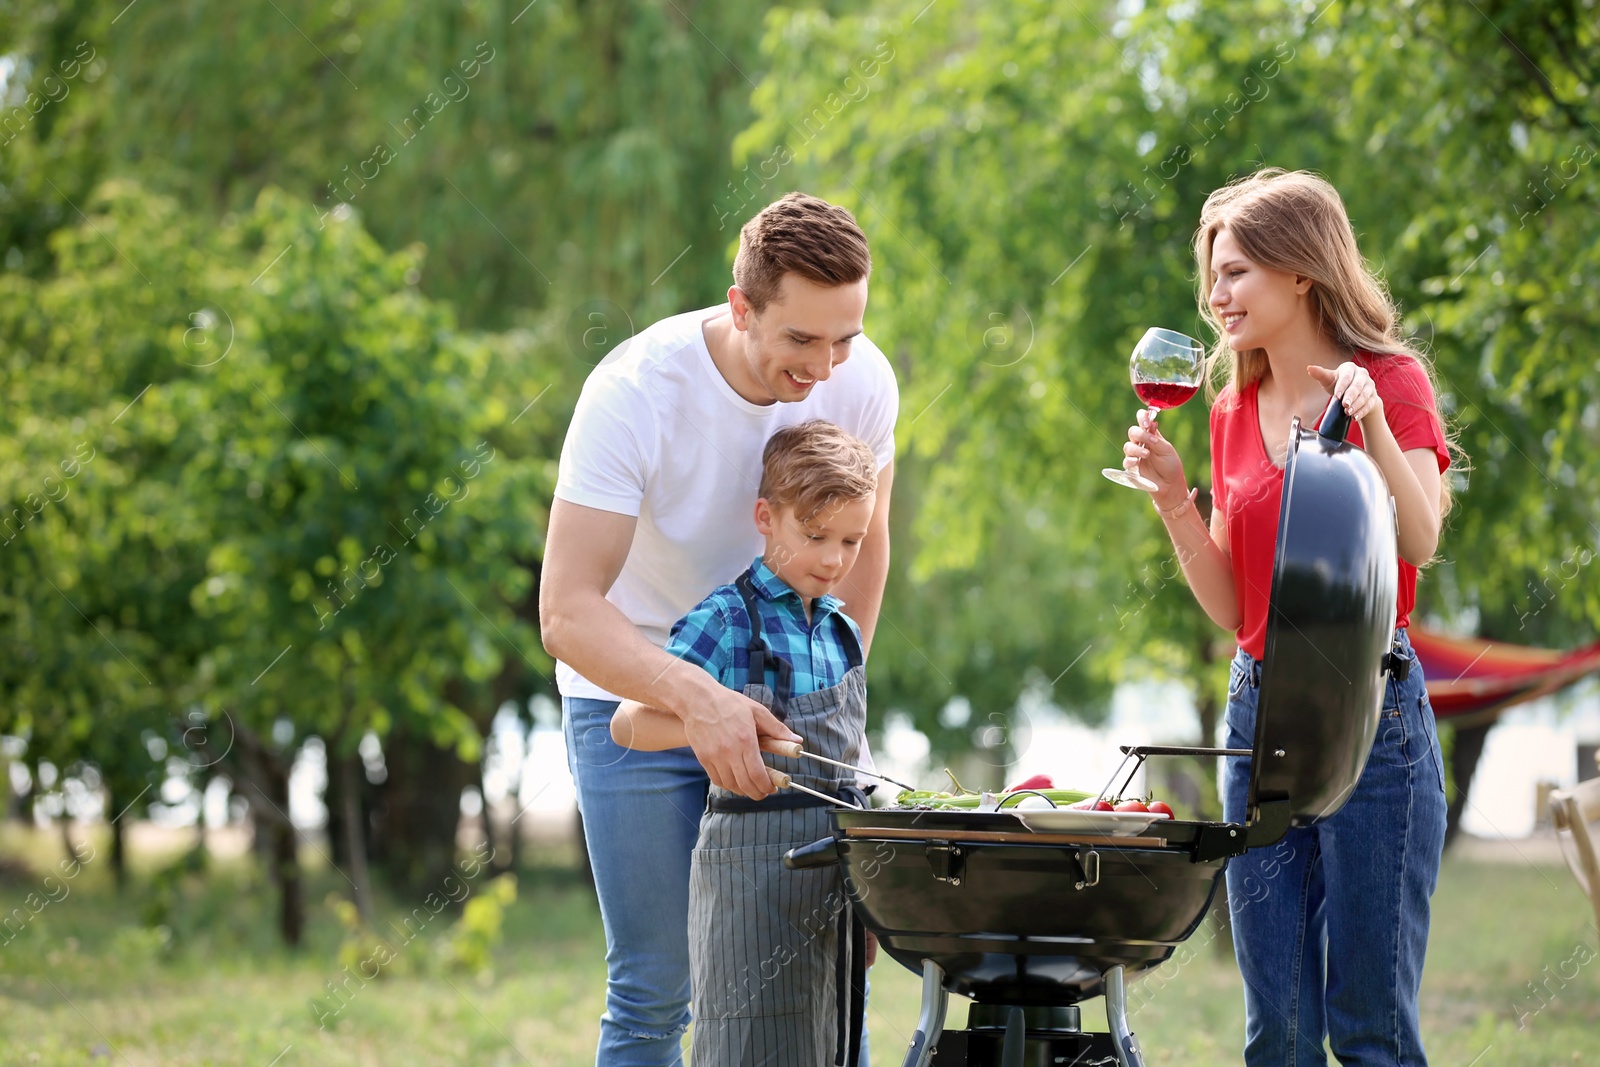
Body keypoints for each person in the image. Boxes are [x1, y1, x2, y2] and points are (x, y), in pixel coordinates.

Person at [539, 192, 898, 1066]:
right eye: (801, 340)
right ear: (742, 307)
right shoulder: (634, 392)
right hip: (632, 685)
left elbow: (865, 552)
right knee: (660, 986)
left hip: (787, 706)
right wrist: (699, 697)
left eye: (844, 336)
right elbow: (567, 609)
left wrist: (830, 701)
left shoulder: (863, 379)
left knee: (803, 975)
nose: (826, 366)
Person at [1122, 168, 1455, 1066]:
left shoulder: (1392, 379)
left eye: (1234, 273)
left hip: (1369, 719)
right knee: (1280, 1033)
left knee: (1370, 1030)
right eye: (1212, 276)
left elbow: (1418, 539)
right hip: (1257, 711)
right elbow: (1238, 608)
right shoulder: (1232, 409)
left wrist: (1374, 425)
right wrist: (1171, 502)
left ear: (1300, 271)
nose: (1213, 296)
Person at [611, 419, 879, 1067]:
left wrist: (872, 893)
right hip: (749, 882)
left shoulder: (840, 629)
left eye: (851, 540)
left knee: (832, 1039)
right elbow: (628, 722)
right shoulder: (727, 619)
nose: (833, 559)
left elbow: (851, 757)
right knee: (747, 1043)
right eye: (814, 536)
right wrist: (716, 721)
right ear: (766, 516)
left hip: (834, 879)